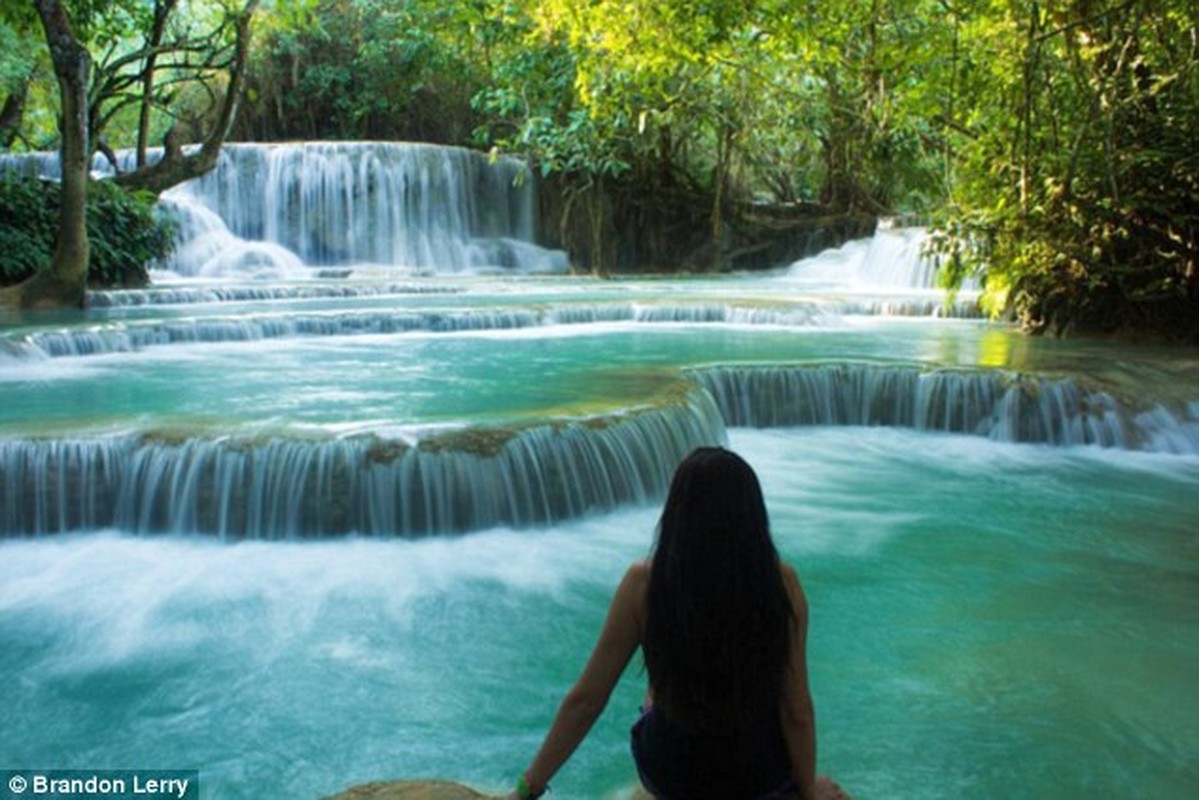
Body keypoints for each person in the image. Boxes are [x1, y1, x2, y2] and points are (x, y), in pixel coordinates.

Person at [507, 446, 818, 800]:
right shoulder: (783, 584)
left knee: (659, 684)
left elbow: (587, 700)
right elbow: (797, 709)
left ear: (677, 513)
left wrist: (526, 788)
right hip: (759, 779)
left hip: (673, 777)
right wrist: (806, 790)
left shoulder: (645, 584)